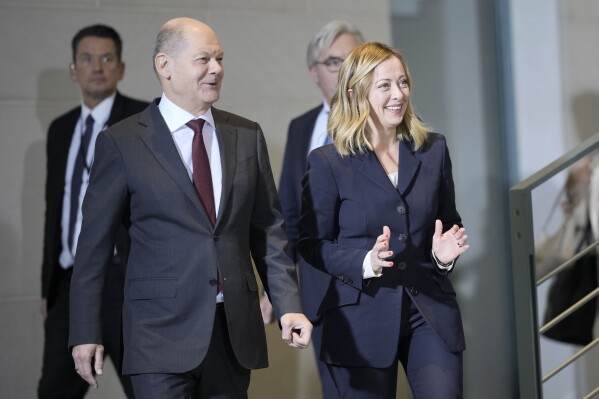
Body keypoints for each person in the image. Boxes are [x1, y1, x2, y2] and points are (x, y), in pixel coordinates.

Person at [68, 17, 312, 398]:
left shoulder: (246, 135)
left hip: (233, 334)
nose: (216, 69)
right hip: (158, 336)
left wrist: (288, 306)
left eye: (220, 59)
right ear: (164, 65)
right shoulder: (123, 142)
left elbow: (268, 230)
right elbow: (93, 247)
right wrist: (85, 332)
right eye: (204, 59)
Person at [298, 42, 470, 398]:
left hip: (429, 311)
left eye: (403, 82)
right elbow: (311, 244)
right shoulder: (328, 162)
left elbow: (447, 223)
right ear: (356, 92)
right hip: (360, 316)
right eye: (385, 85)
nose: (398, 94)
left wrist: (442, 255)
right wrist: (364, 261)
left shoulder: (433, 149)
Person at [38, 24, 148, 399]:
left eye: (107, 58)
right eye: (87, 59)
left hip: (126, 283)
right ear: (73, 69)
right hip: (70, 287)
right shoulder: (60, 129)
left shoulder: (144, 122)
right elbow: (56, 210)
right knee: (54, 390)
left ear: (121, 68)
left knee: (147, 388)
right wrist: (46, 285)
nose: (97, 67)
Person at [277, 19, 363, 396]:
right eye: (333, 62)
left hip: (368, 283)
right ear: (314, 72)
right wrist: (277, 291)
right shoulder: (301, 127)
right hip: (315, 288)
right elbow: (289, 217)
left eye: (354, 60)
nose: (345, 71)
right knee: (334, 390)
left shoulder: (380, 123)